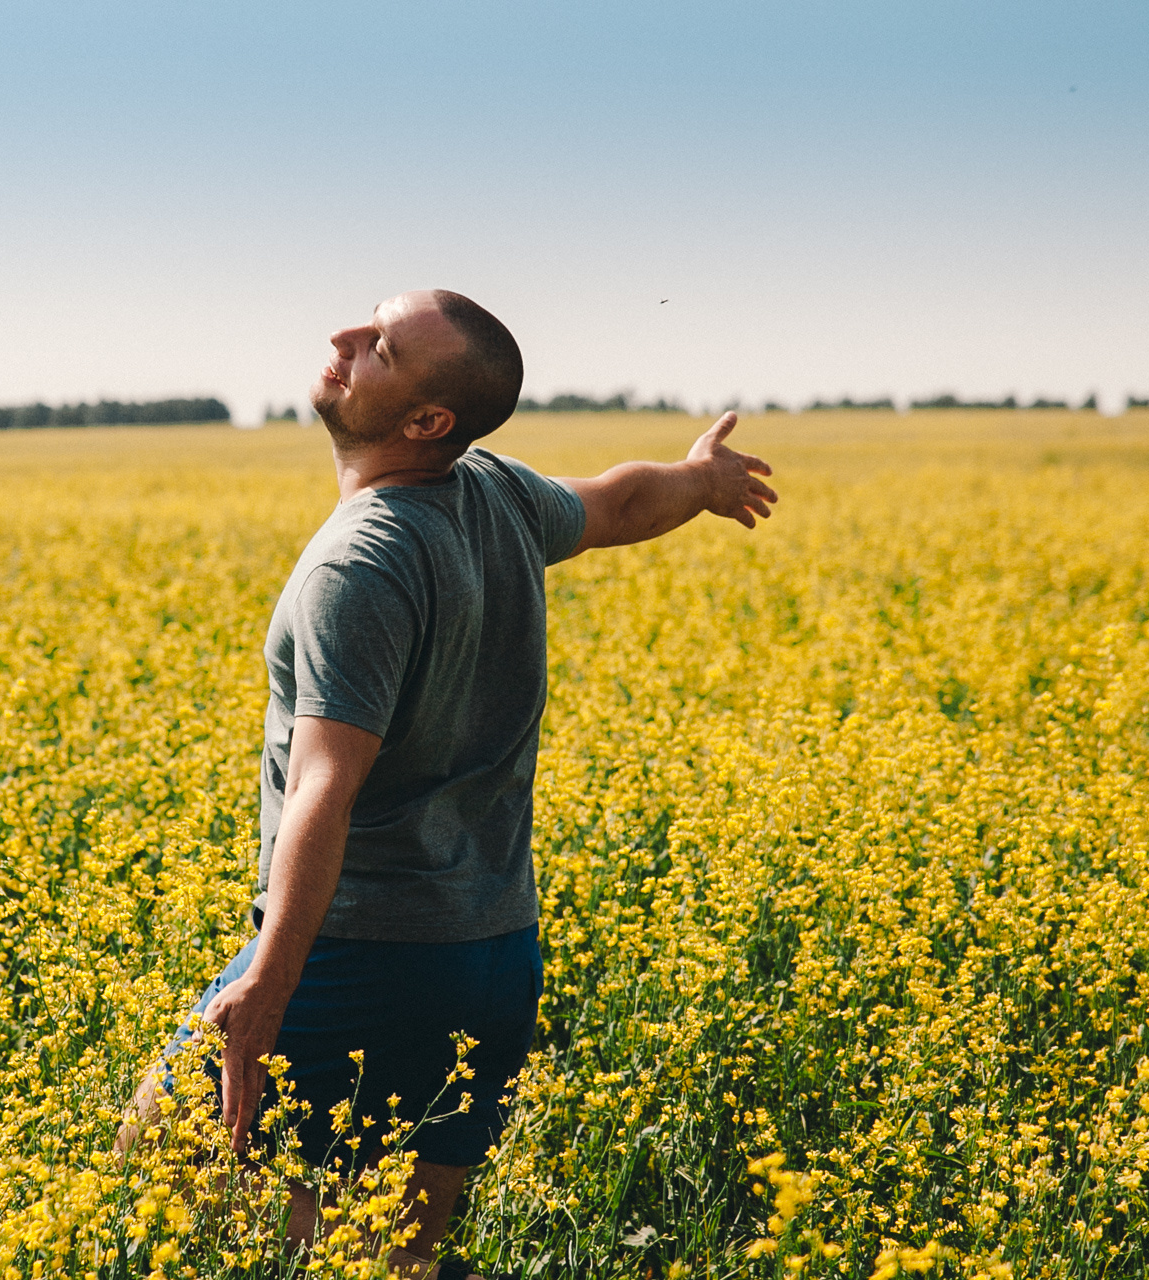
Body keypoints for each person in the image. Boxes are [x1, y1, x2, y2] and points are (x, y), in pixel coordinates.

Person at [122, 289, 777, 1279]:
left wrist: (269, 977)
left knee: (153, 1166)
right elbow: (622, 501)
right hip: (492, 955)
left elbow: (324, 788)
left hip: (357, 951)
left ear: (429, 421)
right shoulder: (499, 494)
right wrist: (699, 478)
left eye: (379, 346)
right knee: (409, 1248)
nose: (344, 338)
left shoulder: (360, 562)